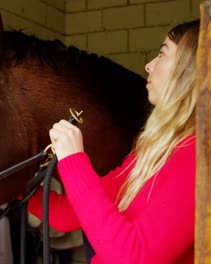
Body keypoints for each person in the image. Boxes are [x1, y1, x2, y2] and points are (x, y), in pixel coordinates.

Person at [28, 20, 200, 263]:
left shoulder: (197, 154)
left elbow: (133, 257)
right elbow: (65, 215)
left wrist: (74, 161)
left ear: (189, 69)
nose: (148, 65)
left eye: (162, 54)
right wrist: (18, 186)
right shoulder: (152, 152)